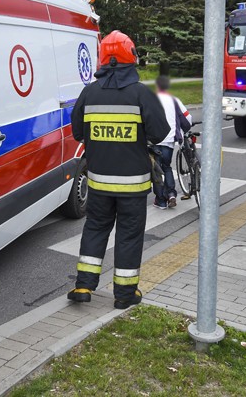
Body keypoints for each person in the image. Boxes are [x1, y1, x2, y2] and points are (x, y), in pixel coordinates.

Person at [67, 30, 170, 310]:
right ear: (131, 56)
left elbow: (78, 133)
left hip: (99, 183)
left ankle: (83, 285)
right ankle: (124, 295)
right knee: (129, 235)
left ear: (102, 58)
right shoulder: (141, 93)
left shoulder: (89, 92)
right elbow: (160, 133)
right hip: (133, 186)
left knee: (95, 229)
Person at [152, 75, 193, 209]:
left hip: (153, 140)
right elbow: (187, 118)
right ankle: (171, 194)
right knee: (167, 167)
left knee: (156, 170)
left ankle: (160, 201)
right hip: (169, 140)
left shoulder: (151, 99)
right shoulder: (174, 100)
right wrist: (184, 131)